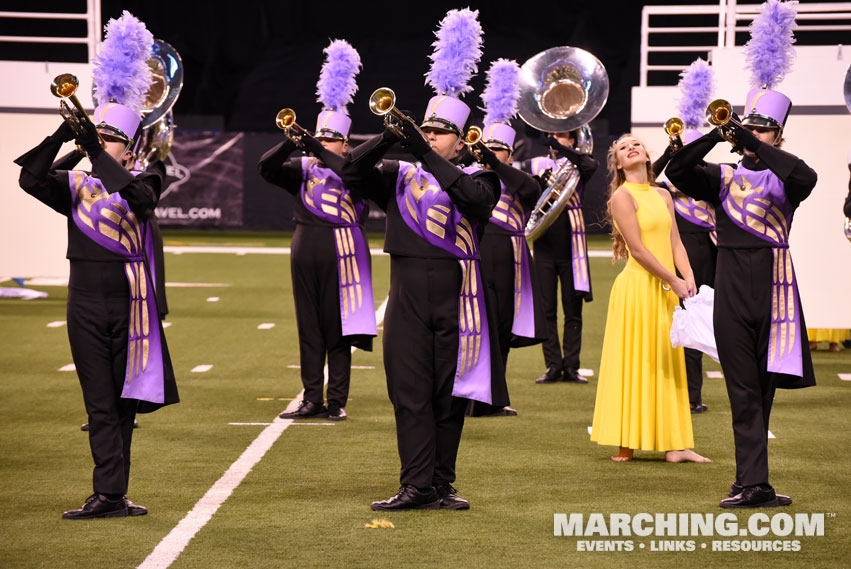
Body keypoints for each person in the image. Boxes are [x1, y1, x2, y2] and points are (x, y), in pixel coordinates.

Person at [342, 8, 507, 511]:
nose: (430, 137)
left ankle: (441, 483)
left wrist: (426, 151)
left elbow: (474, 201)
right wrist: (392, 135)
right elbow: (350, 171)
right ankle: (415, 484)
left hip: (460, 294)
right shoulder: (397, 173)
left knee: (449, 393)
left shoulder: (483, 174)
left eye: (439, 133)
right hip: (409, 288)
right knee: (409, 391)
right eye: (427, 132)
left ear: (461, 137)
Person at [16, 82, 178, 524]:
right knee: (99, 401)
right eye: (99, 136)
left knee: (123, 403)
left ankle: (112, 493)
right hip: (84, 302)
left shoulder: (146, 176)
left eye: (110, 140)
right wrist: (63, 136)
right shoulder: (76, 185)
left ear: (127, 150)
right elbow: (29, 177)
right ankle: (110, 492)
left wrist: (98, 151)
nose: (101, 144)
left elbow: (140, 203)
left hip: (130, 304)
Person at [666, 90, 817, 507]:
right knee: (742, 391)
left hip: (775, 292)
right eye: (748, 127)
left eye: (761, 129)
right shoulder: (724, 177)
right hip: (731, 286)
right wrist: (717, 134)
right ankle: (752, 482)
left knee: (761, 392)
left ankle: (753, 482)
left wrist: (753, 145)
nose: (752, 134)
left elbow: (806, 178)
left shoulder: (786, 176)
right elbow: (678, 170)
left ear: (777, 135)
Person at [258, 40, 376, 422]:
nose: (320, 146)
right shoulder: (303, 168)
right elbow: (266, 168)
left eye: (329, 140)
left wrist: (319, 147)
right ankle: (311, 397)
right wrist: (289, 140)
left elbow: (347, 171)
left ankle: (337, 400)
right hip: (305, 247)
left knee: (339, 328)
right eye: (320, 138)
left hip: (344, 251)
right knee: (309, 327)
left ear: (344, 143)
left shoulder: (356, 168)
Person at [590, 134, 710, 465]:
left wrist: (688, 277)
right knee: (634, 361)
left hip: (665, 289)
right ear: (617, 164)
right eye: (622, 148)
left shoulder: (663, 194)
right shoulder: (622, 197)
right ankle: (626, 442)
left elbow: (675, 243)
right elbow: (639, 250)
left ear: (646, 155)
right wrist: (672, 278)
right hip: (638, 290)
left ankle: (677, 445)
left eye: (636, 145)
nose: (631, 148)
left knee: (668, 364)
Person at [465, 59, 545, 418]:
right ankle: (469, 395)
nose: (489, 154)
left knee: (500, 327)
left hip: (509, 258)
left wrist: (495, 164)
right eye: (486, 149)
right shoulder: (465, 174)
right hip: (476, 252)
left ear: (510, 154)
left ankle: (491, 398)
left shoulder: (517, 176)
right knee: (474, 326)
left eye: (499, 150)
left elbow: (530, 191)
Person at [521, 130, 598, 384]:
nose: (555, 139)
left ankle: (572, 366)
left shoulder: (578, 166)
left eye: (562, 135)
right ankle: (553, 366)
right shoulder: (537, 165)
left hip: (572, 251)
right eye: (552, 135)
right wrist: (540, 185)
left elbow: (589, 164)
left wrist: (560, 147)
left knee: (573, 311)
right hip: (544, 248)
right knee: (547, 311)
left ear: (574, 140)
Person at [653, 132, 717, 414]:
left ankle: (692, 396)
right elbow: (640, 181)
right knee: (671, 324)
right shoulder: (665, 184)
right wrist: (669, 153)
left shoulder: (709, 177)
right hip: (673, 255)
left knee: (695, 321)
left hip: (705, 254)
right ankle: (672, 392)